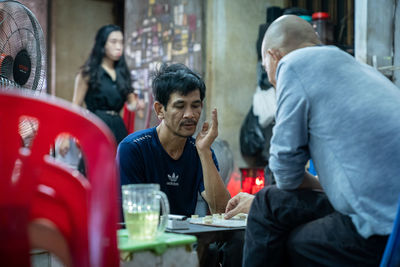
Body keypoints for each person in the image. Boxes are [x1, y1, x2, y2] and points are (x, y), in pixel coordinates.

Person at [225, 15, 400, 266]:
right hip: (392, 218)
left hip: (379, 227)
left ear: (274, 56)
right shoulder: (354, 67)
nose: (272, 82)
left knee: (269, 207)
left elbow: (284, 174)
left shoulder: (293, 65)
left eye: (266, 71)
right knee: (291, 235)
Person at [117, 63, 243, 267]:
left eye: (195, 105)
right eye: (179, 105)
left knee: (239, 240)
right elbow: (128, 222)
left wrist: (204, 152)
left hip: (184, 244)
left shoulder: (201, 151)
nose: (189, 115)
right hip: (140, 249)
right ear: (160, 109)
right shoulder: (133, 149)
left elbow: (222, 211)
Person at [57, 24, 138, 170]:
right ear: (103, 44)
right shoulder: (88, 73)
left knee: (119, 172)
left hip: (119, 129)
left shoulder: (123, 74)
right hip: (96, 127)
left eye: (121, 42)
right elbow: (75, 106)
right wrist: (66, 136)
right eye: (113, 42)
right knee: (94, 171)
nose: (119, 46)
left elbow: (132, 103)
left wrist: (138, 103)